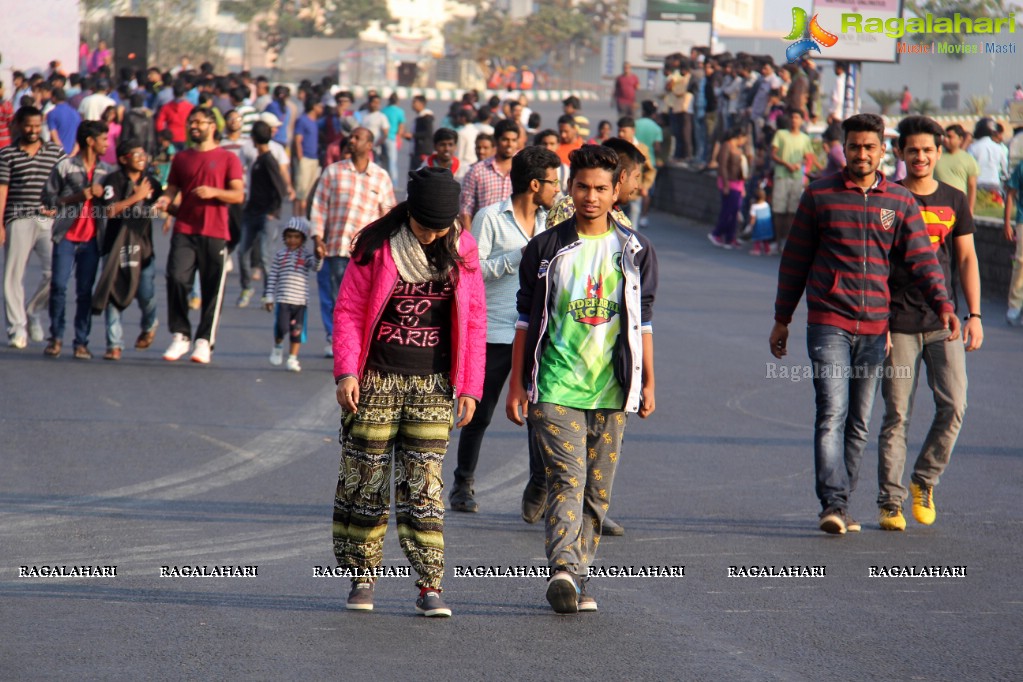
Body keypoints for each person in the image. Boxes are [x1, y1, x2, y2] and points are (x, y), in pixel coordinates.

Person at [769, 113, 960, 535]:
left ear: (882, 151)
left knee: (859, 419)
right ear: (844, 148)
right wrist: (782, 319)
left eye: (869, 147)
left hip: (876, 325)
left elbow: (923, 261)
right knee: (832, 411)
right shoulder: (819, 196)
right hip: (828, 322)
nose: (861, 153)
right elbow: (795, 261)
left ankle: (843, 501)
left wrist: (944, 303)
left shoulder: (899, 201)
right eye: (854, 146)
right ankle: (832, 504)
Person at [507, 144, 658, 613]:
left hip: (612, 389)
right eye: (582, 187)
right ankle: (563, 568)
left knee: (598, 491)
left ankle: (579, 574)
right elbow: (524, 322)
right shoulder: (546, 249)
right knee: (566, 479)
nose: (590, 197)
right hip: (555, 385)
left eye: (600, 189)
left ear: (617, 192)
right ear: (569, 190)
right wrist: (517, 385)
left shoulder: (634, 251)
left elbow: (644, 322)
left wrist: (649, 382)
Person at [331, 167, 486, 617]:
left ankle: (429, 585)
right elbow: (348, 310)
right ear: (408, 213)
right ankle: (363, 578)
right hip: (376, 379)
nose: (431, 236)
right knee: (367, 482)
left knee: (425, 486)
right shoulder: (375, 246)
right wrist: (347, 373)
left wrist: (470, 388)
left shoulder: (463, 249)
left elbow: (474, 320)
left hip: (433, 387)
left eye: (440, 228)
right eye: (423, 227)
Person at [876, 115, 983, 531]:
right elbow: (878, 263)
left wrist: (974, 315)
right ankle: (890, 501)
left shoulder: (955, 200)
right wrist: (878, 321)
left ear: (940, 152)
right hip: (898, 321)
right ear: (899, 153)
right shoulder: (887, 198)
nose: (920, 156)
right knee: (897, 414)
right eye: (912, 150)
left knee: (955, 404)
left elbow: (967, 259)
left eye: (927, 150)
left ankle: (924, 480)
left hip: (944, 320)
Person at [451, 145, 561, 513]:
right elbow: (473, 270)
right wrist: (523, 254)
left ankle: (538, 485)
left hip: (538, 332)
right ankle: (462, 483)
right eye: (552, 183)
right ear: (534, 184)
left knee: (539, 413)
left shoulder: (553, 222)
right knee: (479, 411)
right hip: (495, 329)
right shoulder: (490, 217)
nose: (557, 190)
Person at [155, 107, 245, 364]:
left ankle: (204, 341)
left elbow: (238, 195)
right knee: (176, 278)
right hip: (185, 228)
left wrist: (214, 192)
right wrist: (165, 199)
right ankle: (181, 334)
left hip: (215, 231)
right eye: (191, 122)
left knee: (211, 288)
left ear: (212, 125)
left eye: (198, 122)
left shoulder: (228, 158)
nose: (193, 126)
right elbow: (172, 188)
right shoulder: (182, 158)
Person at [310, 127, 396, 357]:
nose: (352, 140)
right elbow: (319, 206)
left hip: (367, 252)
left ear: (369, 145)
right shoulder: (333, 172)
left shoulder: (380, 177)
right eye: (352, 136)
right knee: (334, 298)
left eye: (358, 137)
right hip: (336, 246)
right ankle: (334, 338)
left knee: (361, 299)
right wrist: (318, 237)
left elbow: (389, 216)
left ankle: (359, 340)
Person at [42, 120, 113, 359]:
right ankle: (56, 337)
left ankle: (81, 341)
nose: (107, 143)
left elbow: (114, 203)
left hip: (93, 239)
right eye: (103, 139)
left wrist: (104, 196)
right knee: (59, 287)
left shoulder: (108, 171)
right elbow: (49, 200)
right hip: (66, 236)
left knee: (85, 292)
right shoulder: (64, 167)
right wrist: (76, 198)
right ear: (90, 141)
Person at [1, 107, 65, 348]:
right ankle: (17, 328)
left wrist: (59, 208)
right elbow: (2, 191)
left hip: (48, 221)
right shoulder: (7, 155)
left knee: (56, 274)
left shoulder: (56, 153)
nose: (33, 130)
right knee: (13, 276)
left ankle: (33, 309)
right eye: (28, 125)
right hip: (18, 218)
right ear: (18, 125)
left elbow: (67, 184)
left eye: (37, 126)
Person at [95, 139, 163, 360]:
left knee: (146, 294)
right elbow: (109, 211)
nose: (142, 159)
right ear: (124, 159)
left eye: (144, 155)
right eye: (137, 155)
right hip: (115, 247)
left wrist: (167, 209)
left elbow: (162, 203)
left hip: (143, 248)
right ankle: (114, 344)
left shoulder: (152, 181)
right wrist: (136, 197)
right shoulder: (112, 181)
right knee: (114, 295)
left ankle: (150, 323)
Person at [237, 121, 290, 308]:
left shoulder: (268, 160)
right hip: (251, 212)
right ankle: (247, 287)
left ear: (253, 139)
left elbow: (281, 188)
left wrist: (273, 211)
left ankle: (268, 294)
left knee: (265, 256)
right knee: (242, 252)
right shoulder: (259, 159)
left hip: (266, 215)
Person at [263, 217, 322, 373]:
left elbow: (315, 267)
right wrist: (269, 296)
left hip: (300, 301)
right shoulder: (280, 255)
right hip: (283, 299)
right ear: (284, 238)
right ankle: (278, 346)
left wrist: (319, 256)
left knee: (297, 331)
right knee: (281, 327)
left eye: (296, 237)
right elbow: (273, 276)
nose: (292, 240)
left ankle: (292, 358)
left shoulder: (306, 255)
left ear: (302, 239)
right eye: (289, 237)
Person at [459, 119, 518, 232]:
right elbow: (466, 210)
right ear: (496, 141)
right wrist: (471, 242)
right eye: (505, 139)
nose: (510, 144)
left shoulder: (523, 170)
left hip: (515, 236)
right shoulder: (477, 171)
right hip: (484, 234)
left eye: (513, 140)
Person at [770, 108, 815, 250]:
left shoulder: (805, 138)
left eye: (797, 117)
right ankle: (778, 240)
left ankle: (786, 241)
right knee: (779, 210)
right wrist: (786, 164)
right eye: (792, 117)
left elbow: (808, 157)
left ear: (801, 121)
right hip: (781, 175)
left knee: (792, 211)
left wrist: (799, 165)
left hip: (796, 176)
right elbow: (773, 154)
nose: (794, 120)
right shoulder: (781, 134)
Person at [708, 126, 748, 249]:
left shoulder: (737, 148)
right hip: (729, 182)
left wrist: (743, 187)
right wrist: (725, 184)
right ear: (740, 137)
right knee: (728, 211)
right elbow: (723, 166)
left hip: (738, 183)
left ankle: (730, 237)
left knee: (735, 211)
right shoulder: (727, 146)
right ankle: (717, 233)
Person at [935, 124, 980, 214]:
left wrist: (970, 209)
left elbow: (972, 186)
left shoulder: (968, 159)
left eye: (950, 137)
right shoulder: (936, 157)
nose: (946, 140)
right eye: (945, 137)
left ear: (960, 139)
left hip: (959, 207)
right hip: (937, 207)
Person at [292, 98, 322, 218]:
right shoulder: (303, 120)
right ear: (314, 106)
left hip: (314, 158)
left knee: (308, 192)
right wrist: (300, 158)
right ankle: (296, 219)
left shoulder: (315, 121)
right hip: (305, 158)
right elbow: (297, 140)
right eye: (319, 106)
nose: (321, 108)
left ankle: (302, 218)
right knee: (300, 192)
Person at [45, 88, 81, 155]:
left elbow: (54, 136)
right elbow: (78, 137)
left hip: (58, 153)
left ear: (54, 98)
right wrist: (73, 153)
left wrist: (62, 154)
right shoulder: (75, 113)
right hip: (72, 153)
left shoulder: (52, 113)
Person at [381, 93, 407, 185]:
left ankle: (384, 181)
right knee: (392, 161)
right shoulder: (399, 111)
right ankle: (394, 183)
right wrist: (399, 138)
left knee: (383, 161)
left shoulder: (384, 110)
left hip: (382, 138)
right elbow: (401, 127)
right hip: (392, 138)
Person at [747, 187, 774, 256]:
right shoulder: (767, 205)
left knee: (757, 239)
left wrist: (750, 226)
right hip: (767, 225)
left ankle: (756, 250)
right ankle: (767, 250)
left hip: (758, 226)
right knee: (765, 239)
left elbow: (753, 218)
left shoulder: (754, 206)